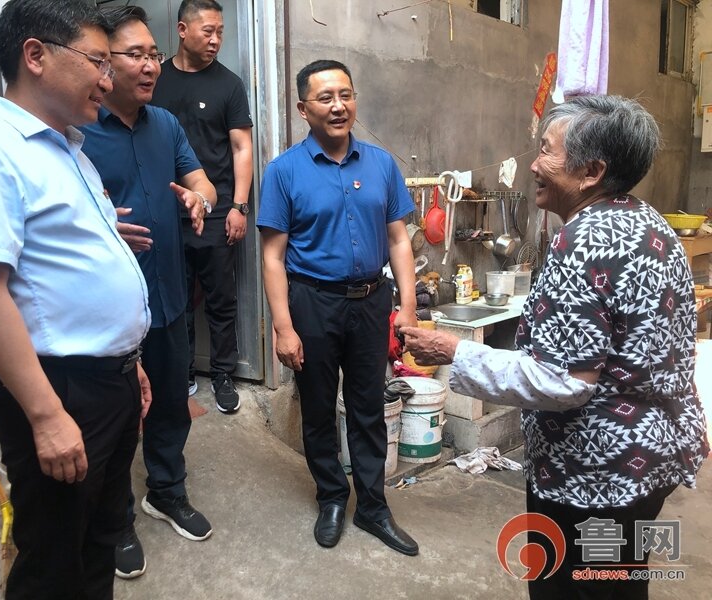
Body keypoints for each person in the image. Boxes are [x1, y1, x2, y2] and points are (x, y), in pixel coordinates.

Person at [401, 96, 709, 599]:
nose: (534, 165)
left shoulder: (582, 242)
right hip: (653, 457)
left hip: (596, 474)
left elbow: (563, 381)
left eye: (546, 151)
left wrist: (455, 350)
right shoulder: (649, 222)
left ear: (591, 172)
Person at [0, 1, 154, 597]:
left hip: (108, 382)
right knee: (52, 563)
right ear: (36, 55)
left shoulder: (68, 148)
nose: (108, 78)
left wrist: (128, 361)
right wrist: (48, 417)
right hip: (59, 390)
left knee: (99, 540)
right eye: (97, 61)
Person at [258, 59, 419, 556]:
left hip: (371, 302)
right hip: (313, 303)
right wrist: (283, 328)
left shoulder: (381, 165)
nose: (338, 106)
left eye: (345, 95)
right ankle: (331, 497)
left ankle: (372, 506)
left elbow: (399, 239)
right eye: (325, 97)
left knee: (369, 407)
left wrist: (408, 307)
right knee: (319, 407)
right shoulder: (284, 171)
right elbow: (272, 256)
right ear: (303, 108)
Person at [80, 4, 216, 580]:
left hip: (168, 293)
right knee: (113, 418)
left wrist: (199, 199)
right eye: (134, 54)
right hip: (107, 305)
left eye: (154, 54)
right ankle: (115, 521)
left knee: (169, 403)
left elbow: (202, 180)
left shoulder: (166, 124)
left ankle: (166, 490)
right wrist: (99, 224)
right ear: (102, 62)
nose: (150, 66)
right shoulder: (77, 130)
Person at [151, 0, 252, 414]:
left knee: (221, 299)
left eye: (220, 32)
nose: (215, 40)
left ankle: (224, 373)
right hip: (164, 211)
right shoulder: (155, 80)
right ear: (182, 29)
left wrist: (239, 206)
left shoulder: (229, 84)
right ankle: (183, 371)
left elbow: (241, 148)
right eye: (208, 31)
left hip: (215, 210)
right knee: (175, 298)